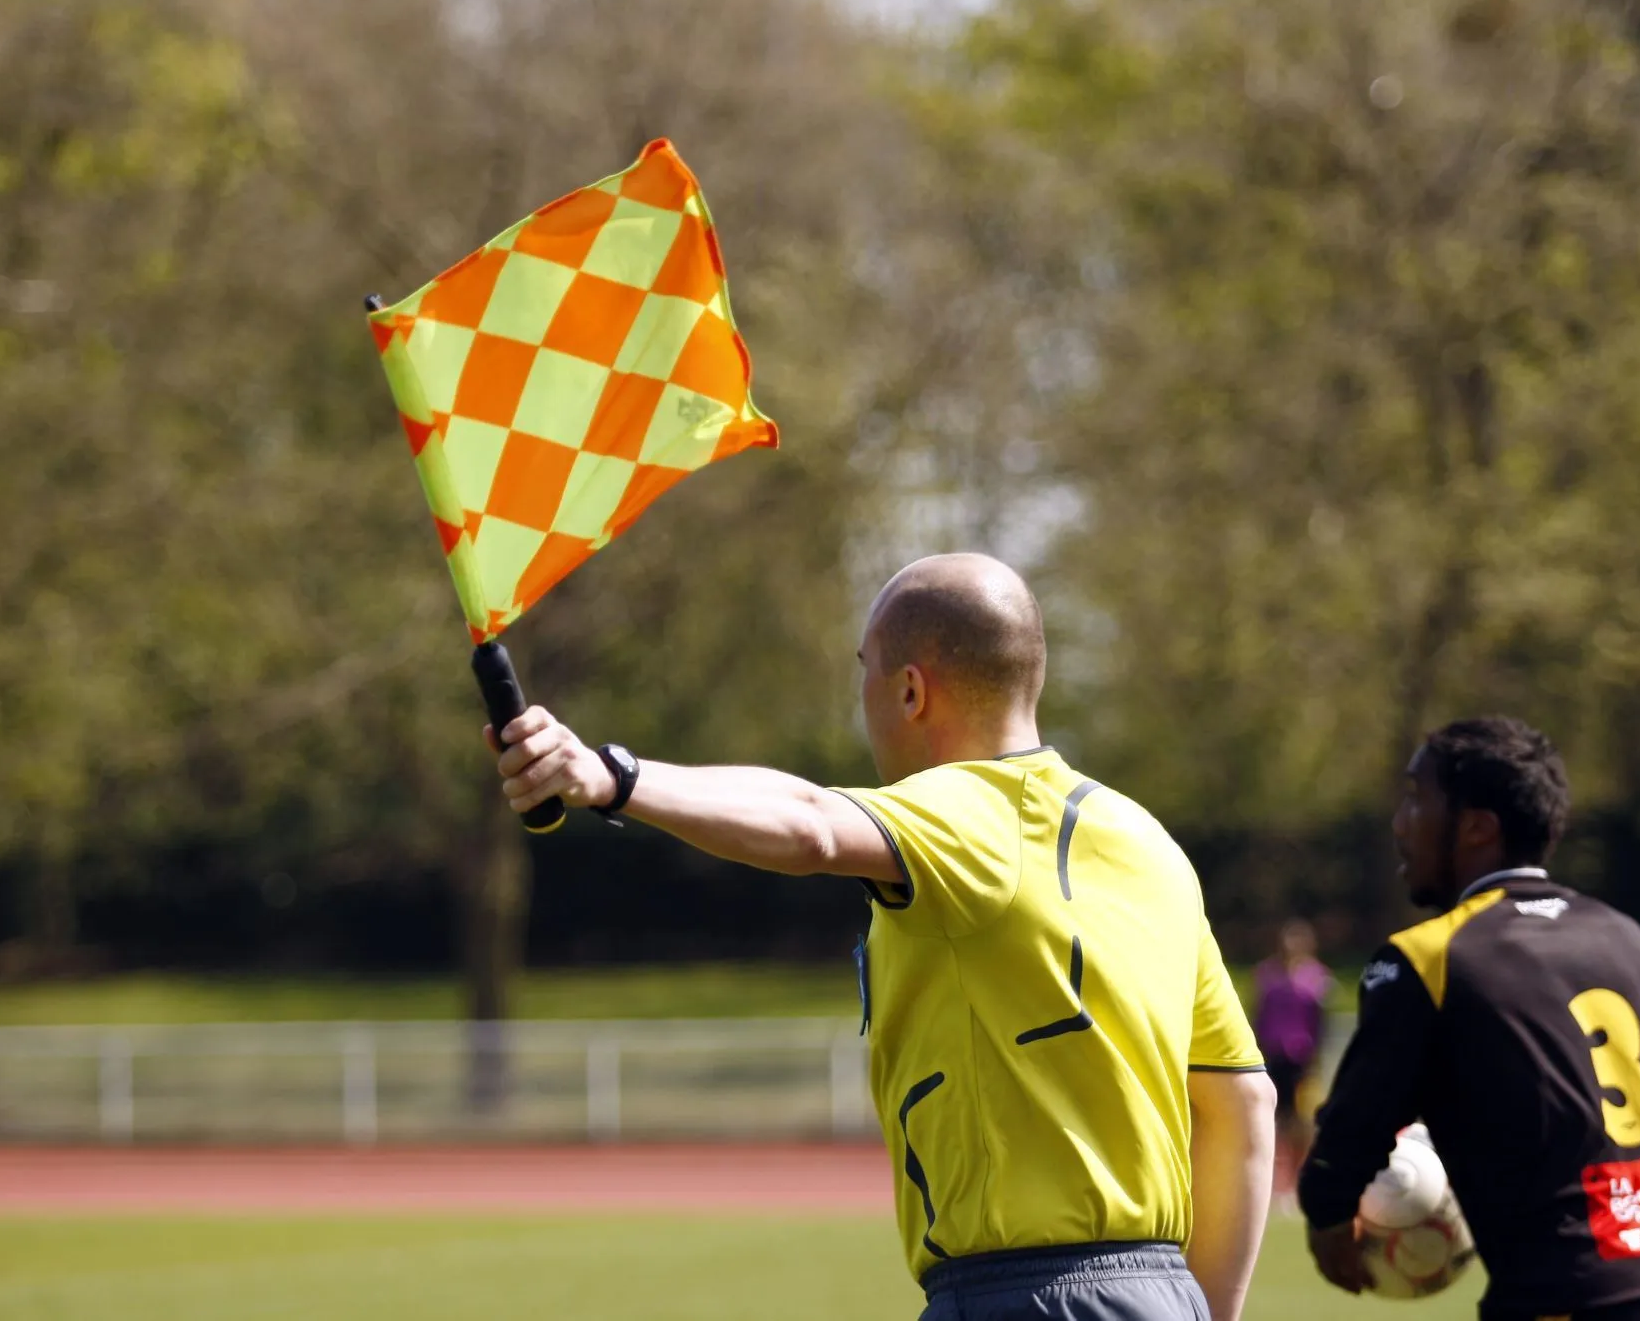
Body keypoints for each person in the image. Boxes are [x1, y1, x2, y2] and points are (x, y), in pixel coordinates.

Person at [490, 553, 1277, 1321]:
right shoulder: (1150, 846)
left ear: (909, 690)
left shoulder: (968, 811)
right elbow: (1242, 1102)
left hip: (1019, 1296)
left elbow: (810, 824)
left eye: (864, 670)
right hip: (1163, 1294)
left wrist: (611, 777)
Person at [1299, 717, 1640, 1321]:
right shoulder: (1626, 936)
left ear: (1477, 828)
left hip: (1577, 1299)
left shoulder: (1428, 958)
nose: (1400, 823)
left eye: (1416, 799)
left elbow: (1349, 1139)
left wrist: (1328, 1213)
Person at [1252, 919, 1331, 1209]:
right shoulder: (1267, 977)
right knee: (1274, 1122)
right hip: (1273, 1058)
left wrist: (1316, 1060)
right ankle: (1277, 1186)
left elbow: (1320, 1023)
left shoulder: (1316, 979)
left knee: (1301, 1123)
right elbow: (1257, 1017)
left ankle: (1299, 1179)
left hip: (1301, 1060)